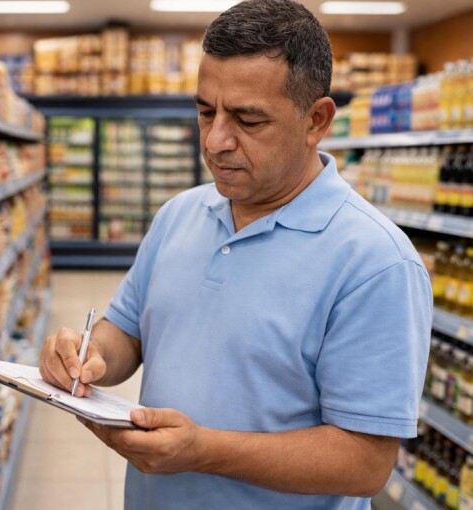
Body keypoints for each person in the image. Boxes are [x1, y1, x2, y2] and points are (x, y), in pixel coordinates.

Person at [38, 0, 433, 508]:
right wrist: (88, 356)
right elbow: (128, 331)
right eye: (206, 111)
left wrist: (203, 450)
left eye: (248, 119)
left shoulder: (376, 263)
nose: (216, 141)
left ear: (317, 119)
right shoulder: (180, 214)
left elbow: (364, 463)